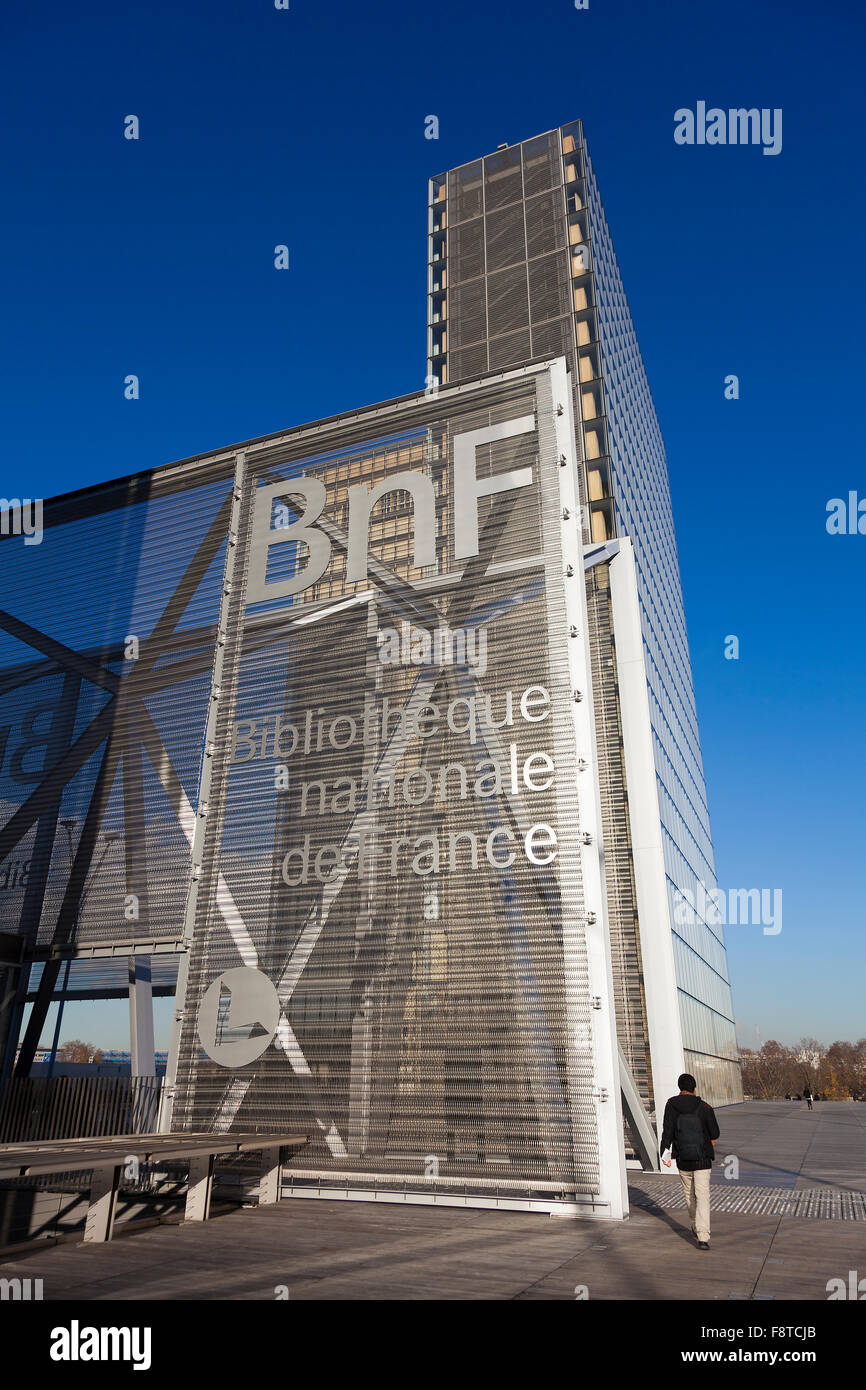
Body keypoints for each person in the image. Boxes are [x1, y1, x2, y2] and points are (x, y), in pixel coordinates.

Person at [660, 1073, 720, 1250]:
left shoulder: (671, 1105)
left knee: (689, 1194)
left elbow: (667, 1130)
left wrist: (665, 1154)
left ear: (680, 1088)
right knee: (702, 1196)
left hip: (683, 1159)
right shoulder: (705, 1107)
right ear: (694, 1088)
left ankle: (695, 1224)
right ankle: (703, 1236)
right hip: (702, 1160)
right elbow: (715, 1133)